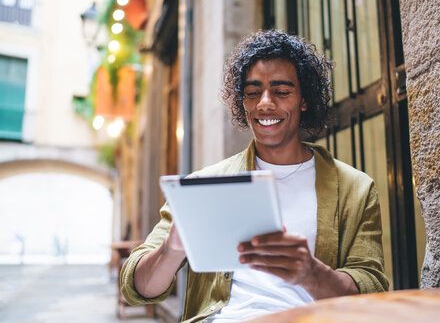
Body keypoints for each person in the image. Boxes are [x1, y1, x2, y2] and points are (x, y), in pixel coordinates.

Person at [120, 30, 388, 323]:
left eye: (282, 91)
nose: (264, 103)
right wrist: (170, 251)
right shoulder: (205, 185)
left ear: (304, 100)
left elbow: (372, 289)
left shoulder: (356, 189)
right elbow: (137, 288)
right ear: (242, 102)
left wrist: (313, 273)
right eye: (252, 92)